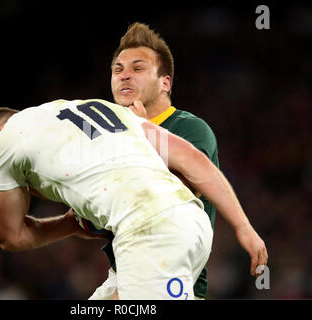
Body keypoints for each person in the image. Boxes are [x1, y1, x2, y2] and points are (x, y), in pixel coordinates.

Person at [0, 98, 267, 299]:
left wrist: (69, 225)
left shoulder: (3, 141)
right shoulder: (104, 109)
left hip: (149, 234)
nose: (8, 183)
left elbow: (10, 236)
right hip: (189, 225)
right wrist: (244, 227)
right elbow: (193, 159)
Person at [90, 22, 219, 300]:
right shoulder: (107, 138)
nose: (125, 76)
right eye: (118, 69)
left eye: (137, 69)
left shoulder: (190, 130)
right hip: (121, 277)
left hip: (170, 280)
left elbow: (169, 204)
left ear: (165, 82)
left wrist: (137, 133)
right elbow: (95, 218)